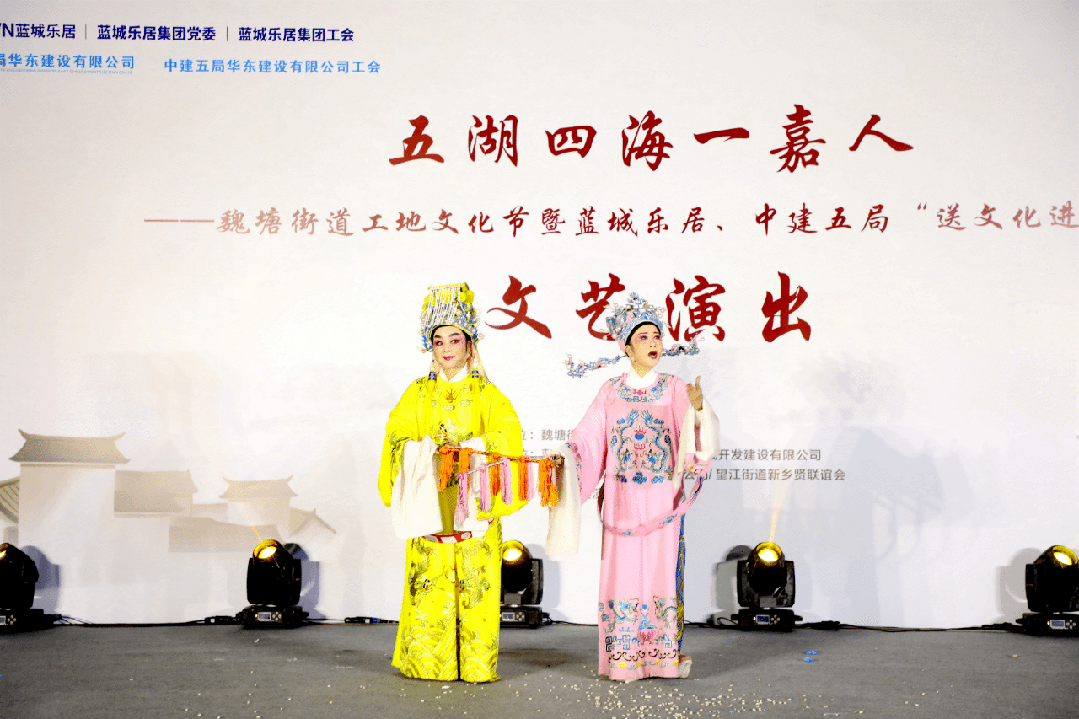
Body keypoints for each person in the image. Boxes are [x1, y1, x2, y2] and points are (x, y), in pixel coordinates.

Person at [547, 292, 719, 682]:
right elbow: (588, 440)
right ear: (626, 347)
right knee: (622, 575)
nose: (653, 342)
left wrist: (697, 409)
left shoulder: (674, 388)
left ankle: (661, 658)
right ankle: (624, 659)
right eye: (643, 337)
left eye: (657, 335)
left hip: (661, 499)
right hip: (622, 500)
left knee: (660, 573)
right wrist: (566, 457)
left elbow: (695, 441)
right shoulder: (610, 391)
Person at [378, 283, 528, 683]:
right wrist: (422, 451)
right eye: (439, 340)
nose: (447, 348)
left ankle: (475, 665)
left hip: (472, 506)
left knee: (476, 585)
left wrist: (472, 448)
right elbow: (396, 435)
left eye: (455, 339)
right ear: (430, 346)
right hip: (431, 503)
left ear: (469, 344)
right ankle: (429, 662)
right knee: (430, 585)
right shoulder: (418, 393)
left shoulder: (486, 394)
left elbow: (508, 436)